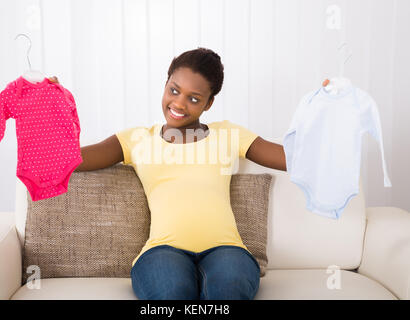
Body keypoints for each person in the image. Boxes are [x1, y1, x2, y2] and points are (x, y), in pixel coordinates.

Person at [50, 47, 286, 300]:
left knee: (227, 292)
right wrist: (50, 104)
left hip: (227, 250)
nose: (179, 104)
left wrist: (329, 109)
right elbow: (65, 158)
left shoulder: (229, 135)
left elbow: (297, 159)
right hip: (162, 252)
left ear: (209, 103)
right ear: (165, 84)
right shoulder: (137, 139)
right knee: (172, 293)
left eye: (194, 99)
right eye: (174, 90)